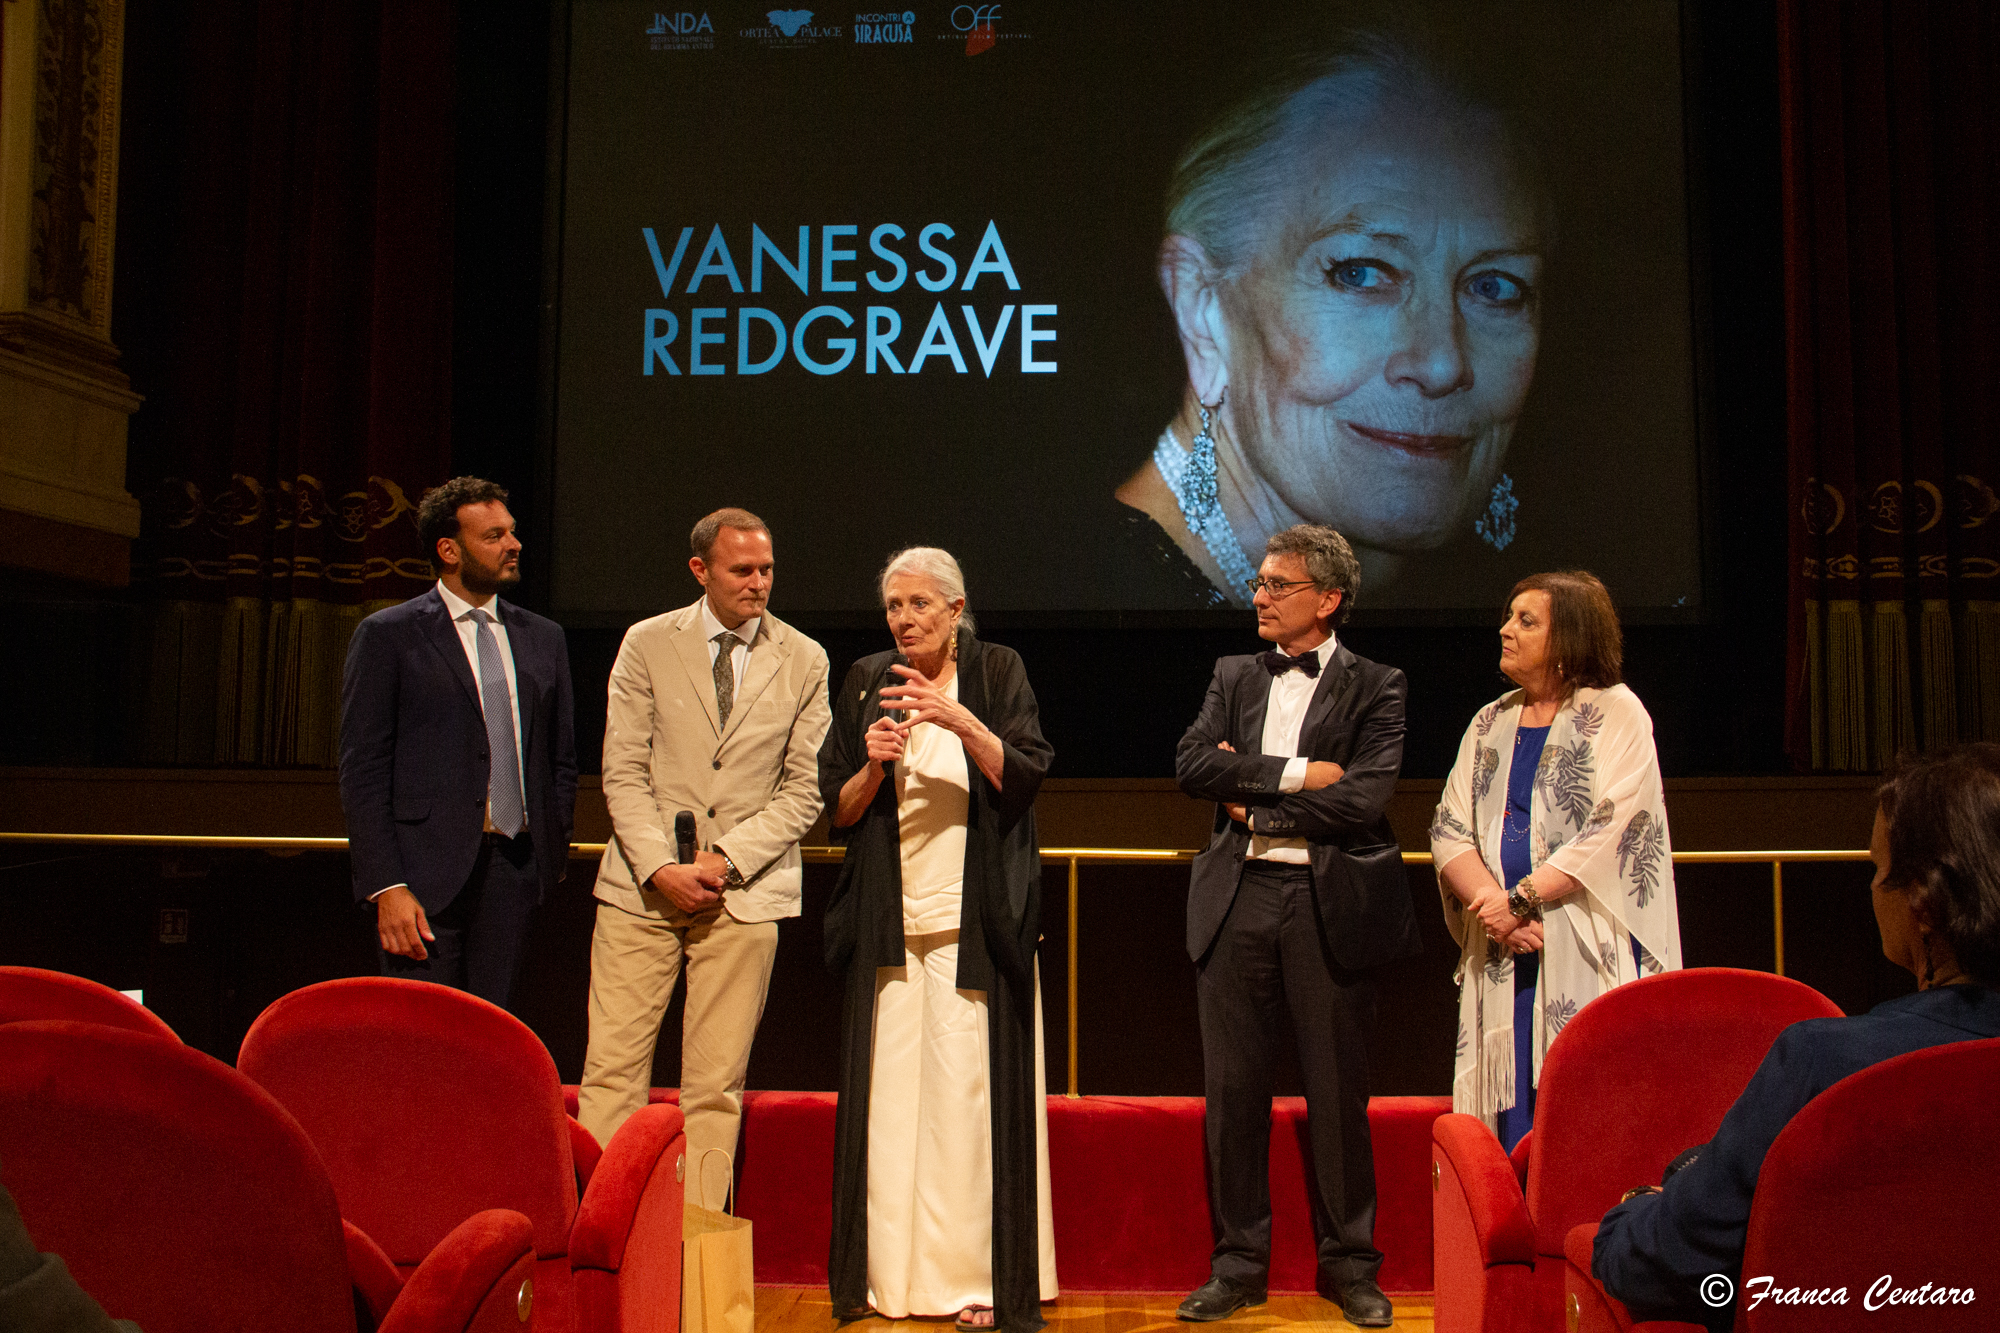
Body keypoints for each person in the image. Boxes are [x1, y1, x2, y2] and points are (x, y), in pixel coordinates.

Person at [1114, 34, 1547, 607]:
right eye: (1361, 274)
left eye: (1495, 288)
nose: (1443, 364)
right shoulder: (1092, 592)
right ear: (1201, 304)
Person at [1592, 744, 2000, 1329]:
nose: (1872, 890)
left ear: (1925, 903)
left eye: (1876, 868)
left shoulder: (1824, 1062)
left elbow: (1665, 1259)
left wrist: (1629, 1215)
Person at [1172, 523, 1420, 1328]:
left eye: (1278, 584)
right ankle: (1237, 1264)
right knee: (1232, 1092)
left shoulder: (1378, 683)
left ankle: (1351, 1266)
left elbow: (1364, 798)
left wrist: (1256, 795)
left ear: (1329, 598)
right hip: (1238, 895)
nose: (1259, 596)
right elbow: (1191, 765)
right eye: (1261, 582)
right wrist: (1296, 773)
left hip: (1326, 902)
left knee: (1336, 1090)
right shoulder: (1233, 672)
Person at [818, 548, 1057, 1333]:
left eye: (921, 604)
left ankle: (975, 1281)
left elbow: (1023, 774)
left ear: (956, 610)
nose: (905, 619)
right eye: (894, 605)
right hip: (892, 923)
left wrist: (957, 718)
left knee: (967, 1105)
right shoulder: (863, 678)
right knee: (889, 1108)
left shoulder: (997, 670)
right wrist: (872, 770)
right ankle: (890, 1277)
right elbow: (840, 809)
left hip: (974, 927)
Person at [577, 508, 831, 1191]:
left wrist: (726, 860)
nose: (758, 583)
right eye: (741, 570)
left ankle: (695, 1250)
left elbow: (804, 791)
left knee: (716, 1086)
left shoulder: (805, 657)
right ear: (701, 570)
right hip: (641, 890)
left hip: (742, 896)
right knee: (611, 1073)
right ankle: (603, 1245)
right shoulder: (647, 642)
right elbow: (622, 770)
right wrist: (662, 866)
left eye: (767, 569)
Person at [1429, 571, 1681, 1150]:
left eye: (1526, 621)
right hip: (1504, 947)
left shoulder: (1618, 713)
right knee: (1511, 1105)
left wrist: (1520, 900)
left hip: (1580, 942)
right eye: (1508, 616)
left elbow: (1613, 827)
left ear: (1569, 638)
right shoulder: (1490, 720)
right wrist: (1494, 909)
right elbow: (1449, 827)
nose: (1506, 630)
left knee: (1578, 1112)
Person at [338, 476, 578, 1011]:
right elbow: (364, 771)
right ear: (449, 550)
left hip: (514, 872)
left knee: (497, 1036)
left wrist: (550, 851)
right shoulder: (389, 634)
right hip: (420, 880)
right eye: (494, 536)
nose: (513, 545)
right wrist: (386, 887)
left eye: (512, 533)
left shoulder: (543, 637)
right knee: (424, 1040)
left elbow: (559, 757)